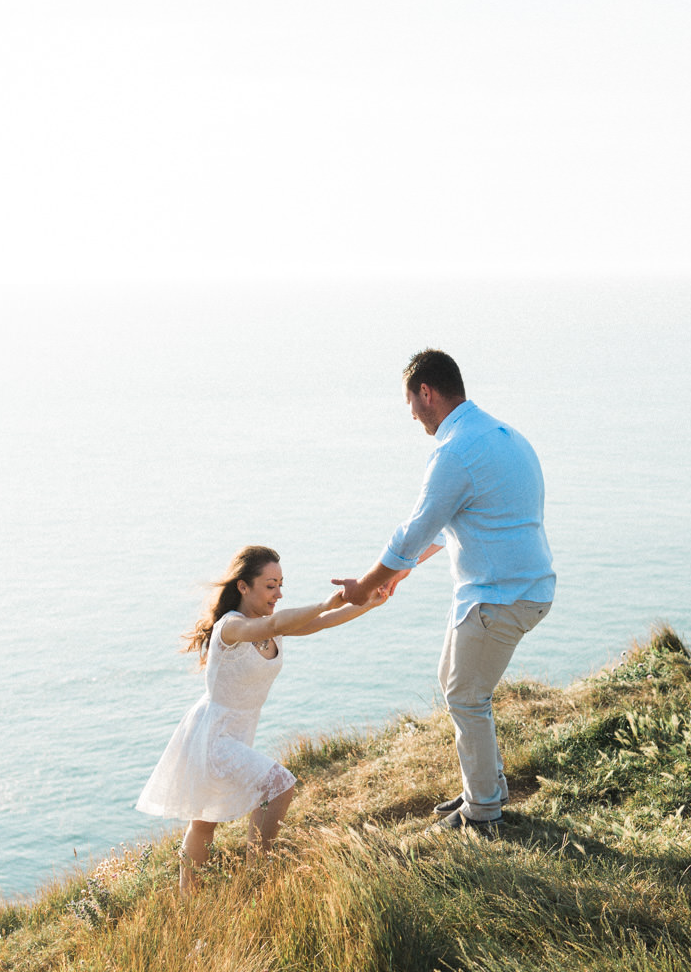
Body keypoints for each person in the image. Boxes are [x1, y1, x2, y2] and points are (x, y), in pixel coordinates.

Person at [333, 349, 555, 833]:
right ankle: (485, 784)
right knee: (455, 682)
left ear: (426, 393)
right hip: (518, 587)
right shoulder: (502, 435)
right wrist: (400, 573)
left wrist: (364, 586)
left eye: (410, 402)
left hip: (502, 595)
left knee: (466, 696)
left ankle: (484, 811)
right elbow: (456, 520)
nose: (411, 414)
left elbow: (412, 532)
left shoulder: (454, 451)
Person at [136, 545, 385, 892]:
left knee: (205, 822)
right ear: (243, 586)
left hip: (237, 734)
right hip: (214, 736)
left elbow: (319, 624)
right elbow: (280, 621)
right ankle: (256, 881)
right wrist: (329, 601)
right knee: (278, 785)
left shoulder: (268, 625)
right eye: (270, 585)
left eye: (281, 584)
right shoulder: (232, 627)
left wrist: (369, 603)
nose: (279, 593)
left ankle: (191, 902)